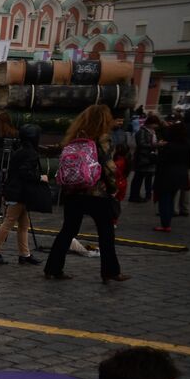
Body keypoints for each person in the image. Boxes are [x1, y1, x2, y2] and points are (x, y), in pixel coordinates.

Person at [43, 105, 127, 283]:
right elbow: (109, 167)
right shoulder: (103, 139)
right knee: (106, 232)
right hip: (96, 192)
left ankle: (53, 268)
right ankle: (110, 271)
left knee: (68, 230)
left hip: (73, 191)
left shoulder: (75, 137)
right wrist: (113, 188)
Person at [0, 123, 44, 266]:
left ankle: (24, 254)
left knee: (24, 225)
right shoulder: (30, 153)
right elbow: (25, 172)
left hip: (19, 193)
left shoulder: (20, 150)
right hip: (19, 193)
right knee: (9, 223)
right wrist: (40, 178)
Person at [152, 123, 190, 234]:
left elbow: (160, 161)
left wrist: (156, 153)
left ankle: (165, 224)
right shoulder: (187, 144)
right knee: (171, 198)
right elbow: (189, 161)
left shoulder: (169, 146)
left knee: (165, 200)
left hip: (166, 176)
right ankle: (167, 222)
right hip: (181, 175)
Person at [129, 114, 159, 203]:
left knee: (147, 178)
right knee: (138, 178)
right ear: (150, 123)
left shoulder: (152, 131)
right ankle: (134, 196)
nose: (156, 126)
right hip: (143, 158)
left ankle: (146, 195)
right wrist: (155, 145)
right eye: (155, 124)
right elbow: (141, 144)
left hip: (149, 158)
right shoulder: (142, 131)